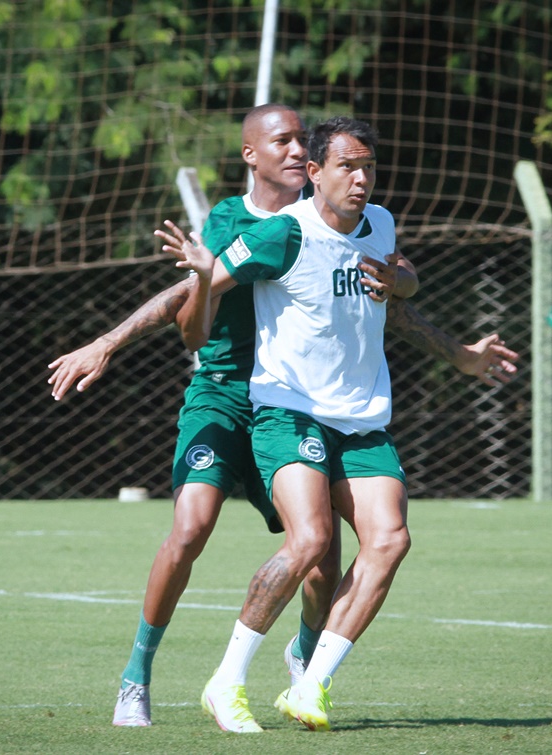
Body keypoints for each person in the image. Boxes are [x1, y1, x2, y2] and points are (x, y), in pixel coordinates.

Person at [51, 105, 517, 729]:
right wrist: (110, 338)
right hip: (249, 399)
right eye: (289, 142)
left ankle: (308, 671)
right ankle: (158, 676)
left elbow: (389, 290)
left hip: (341, 412)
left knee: (357, 550)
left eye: (310, 143)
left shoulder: (369, 220)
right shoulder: (255, 227)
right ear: (259, 156)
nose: (300, 152)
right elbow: (189, 311)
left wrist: (422, 306)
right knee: (225, 532)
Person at [166, 115, 457, 733]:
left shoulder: (378, 222)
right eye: (348, 166)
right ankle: (226, 682)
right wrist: (199, 276)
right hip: (288, 409)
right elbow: (200, 309)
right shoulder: (280, 234)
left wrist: (403, 281)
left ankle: (311, 685)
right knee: (310, 543)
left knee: (390, 541)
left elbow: (401, 274)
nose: (361, 177)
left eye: (369, 166)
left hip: (361, 420)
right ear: (316, 173)